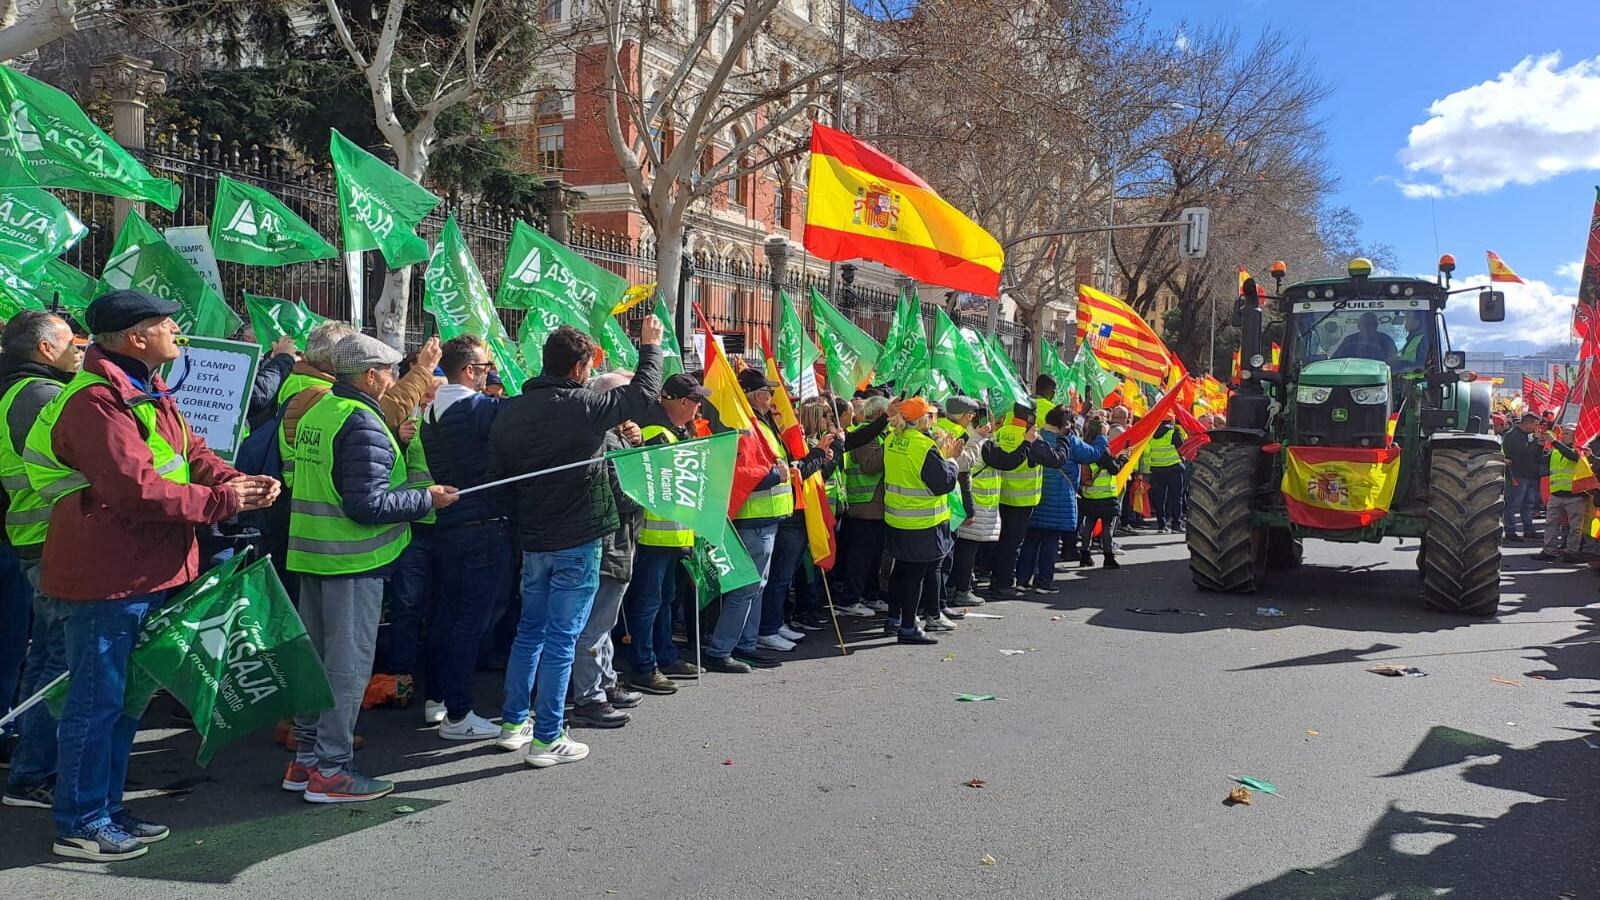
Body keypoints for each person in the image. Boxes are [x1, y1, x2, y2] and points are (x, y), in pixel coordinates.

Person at [25, 290, 279, 860]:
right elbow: (135, 490)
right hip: (108, 575)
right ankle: (81, 821)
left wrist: (235, 480)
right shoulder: (96, 400)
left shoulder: (144, 388)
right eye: (166, 323)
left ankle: (107, 808)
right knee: (97, 701)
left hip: (144, 569)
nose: (176, 332)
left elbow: (191, 452)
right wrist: (225, 500)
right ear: (136, 338)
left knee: (125, 701)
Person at [284, 333, 457, 803]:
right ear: (369, 376)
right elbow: (367, 504)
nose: (395, 378)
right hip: (353, 560)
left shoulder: (322, 408)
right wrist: (426, 498)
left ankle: (306, 760)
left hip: (314, 555)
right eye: (391, 371)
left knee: (317, 664)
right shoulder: (361, 421)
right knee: (347, 670)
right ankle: (332, 772)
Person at [489, 320, 662, 767]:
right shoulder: (583, 405)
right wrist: (650, 346)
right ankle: (548, 736)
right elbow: (642, 394)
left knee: (530, 631)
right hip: (578, 538)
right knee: (562, 638)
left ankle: (514, 722)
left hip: (534, 538)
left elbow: (498, 475)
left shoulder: (511, 410)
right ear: (579, 368)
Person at [411, 335, 514, 739]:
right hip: (482, 526)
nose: (490, 373)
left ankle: (438, 699)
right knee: (470, 622)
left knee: (447, 616)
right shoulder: (476, 409)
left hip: (451, 524)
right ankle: (459, 713)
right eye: (487, 367)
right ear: (470, 371)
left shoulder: (431, 412)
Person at [0, 312, 82, 810]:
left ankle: (28, 764)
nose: (80, 350)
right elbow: (77, 461)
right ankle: (33, 772)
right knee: (59, 660)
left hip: (38, 537)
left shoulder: (24, 390)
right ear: (45, 349)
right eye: (72, 342)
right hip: (50, 536)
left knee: (46, 655)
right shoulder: (39, 396)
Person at [702, 369, 821, 673]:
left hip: (766, 519)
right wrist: (775, 475)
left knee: (756, 587)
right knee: (746, 588)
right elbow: (742, 474)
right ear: (756, 396)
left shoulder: (760, 424)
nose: (773, 398)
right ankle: (722, 649)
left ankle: (745, 645)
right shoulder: (746, 426)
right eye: (768, 393)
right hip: (753, 520)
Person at [621, 373, 711, 695]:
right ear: (683, 402)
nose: (699, 407)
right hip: (653, 536)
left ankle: (665, 656)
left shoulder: (673, 431)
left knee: (664, 600)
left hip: (672, 535)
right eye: (697, 400)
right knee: (648, 603)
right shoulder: (654, 431)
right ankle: (644, 667)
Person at [571, 371, 646, 727]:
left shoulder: (614, 436)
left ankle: (605, 681)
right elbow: (624, 495)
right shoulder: (606, 439)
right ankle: (589, 696)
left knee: (605, 621)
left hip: (616, 542)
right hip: (609, 543)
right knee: (595, 623)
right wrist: (649, 488)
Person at [751, 374, 835, 653]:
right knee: (777, 578)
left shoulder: (776, 429)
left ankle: (775, 623)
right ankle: (767, 628)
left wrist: (820, 456)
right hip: (783, 514)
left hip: (789, 511)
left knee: (782, 578)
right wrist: (817, 454)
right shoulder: (765, 429)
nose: (780, 402)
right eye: (773, 394)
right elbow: (795, 472)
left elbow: (801, 470)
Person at [882, 397, 962, 645]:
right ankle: (908, 627)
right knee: (914, 576)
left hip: (897, 517)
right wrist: (951, 460)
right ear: (920, 420)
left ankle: (894, 619)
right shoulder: (923, 446)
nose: (932, 418)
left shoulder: (892, 438)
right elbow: (944, 483)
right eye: (929, 415)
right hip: (921, 521)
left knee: (901, 571)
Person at [1017, 406, 1109, 591]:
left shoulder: (1036, 436)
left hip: (1035, 496)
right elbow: (1092, 454)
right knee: (1050, 541)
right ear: (1065, 424)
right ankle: (1044, 582)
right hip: (1060, 499)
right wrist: (1102, 436)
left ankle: (1022, 580)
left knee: (1031, 540)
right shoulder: (1069, 441)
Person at [986, 403, 1066, 598]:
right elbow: (1055, 460)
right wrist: (1064, 439)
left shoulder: (1001, 432)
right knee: (1011, 545)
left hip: (1000, 495)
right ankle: (1003, 584)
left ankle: (995, 580)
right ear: (1031, 416)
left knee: (1001, 541)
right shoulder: (1031, 438)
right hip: (1021, 500)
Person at [834, 394, 892, 617]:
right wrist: (889, 445)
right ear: (879, 414)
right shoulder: (866, 434)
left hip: (875, 506)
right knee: (861, 558)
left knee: (874, 557)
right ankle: (850, 599)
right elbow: (870, 465)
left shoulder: (877, 434)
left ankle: (870, 595)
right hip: (865, 506)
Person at [939, 396, 998, 608]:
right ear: (965, 416)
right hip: (952, 501)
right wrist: (978, 439)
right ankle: (942, 602)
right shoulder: (958, 433)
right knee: (948, 556)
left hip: (940, 502)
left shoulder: (940, 426)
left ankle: (943, 597)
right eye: (971, 415)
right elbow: (963, 468)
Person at [1078, 419, 1125, 569]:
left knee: (1089, 524)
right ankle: (1108, 557)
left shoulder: (1085, 446)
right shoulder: (1102, 449)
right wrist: (1123, 458)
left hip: (1089, 493)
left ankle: (1084, 555)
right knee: (1106, 527)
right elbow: (1114, 469)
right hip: (1106, 494)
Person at [1537, 424, 1584, 562]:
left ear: (1575, 437)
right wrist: (1539, 445)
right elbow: (1541, 460)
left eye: (1567, 433)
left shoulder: (1579, 450)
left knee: (1575, 527)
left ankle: (1571, 552)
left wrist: (1554, 442)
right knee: (1550, 524)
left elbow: (1572, 456)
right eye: (1563, 433)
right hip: (1556, 494)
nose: (1563, 436)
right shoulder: (1556, 450)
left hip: (1574, 495)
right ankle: (1549, 551)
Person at [1502, 412, 1545, 542]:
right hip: (1517, 475)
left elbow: (1535, 456)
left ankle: (1529, 529)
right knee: (1513, 504)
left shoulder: (1529, 436)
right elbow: (1518, 454)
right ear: (1527, 423)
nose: (1536, 428)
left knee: (1528, 504)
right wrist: (1535, 442)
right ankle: (1510, 531)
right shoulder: (1512, 435)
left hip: (1530, 475)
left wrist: (1540, 446)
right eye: (1535, 425)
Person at [1144, 412, 1186, 533]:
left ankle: (1161, 525)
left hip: (1156, 469)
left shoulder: (1151, 434)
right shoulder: (1173, 433)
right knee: (1176, 497)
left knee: (1159, 498)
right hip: (1174, 469)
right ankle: (1176, 525)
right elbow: (1183, 449)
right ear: (1171, 421)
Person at [1333, 312, 1399, 362]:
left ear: (1376, 326)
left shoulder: (1386, 341)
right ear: (1359, 326)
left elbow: (1392, 361)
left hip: (1378, 374)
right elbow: (1335, 360)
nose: (1368, 327)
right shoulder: (1349, 340)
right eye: (1365, 324)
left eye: (1372, 324)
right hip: (1350, 374)